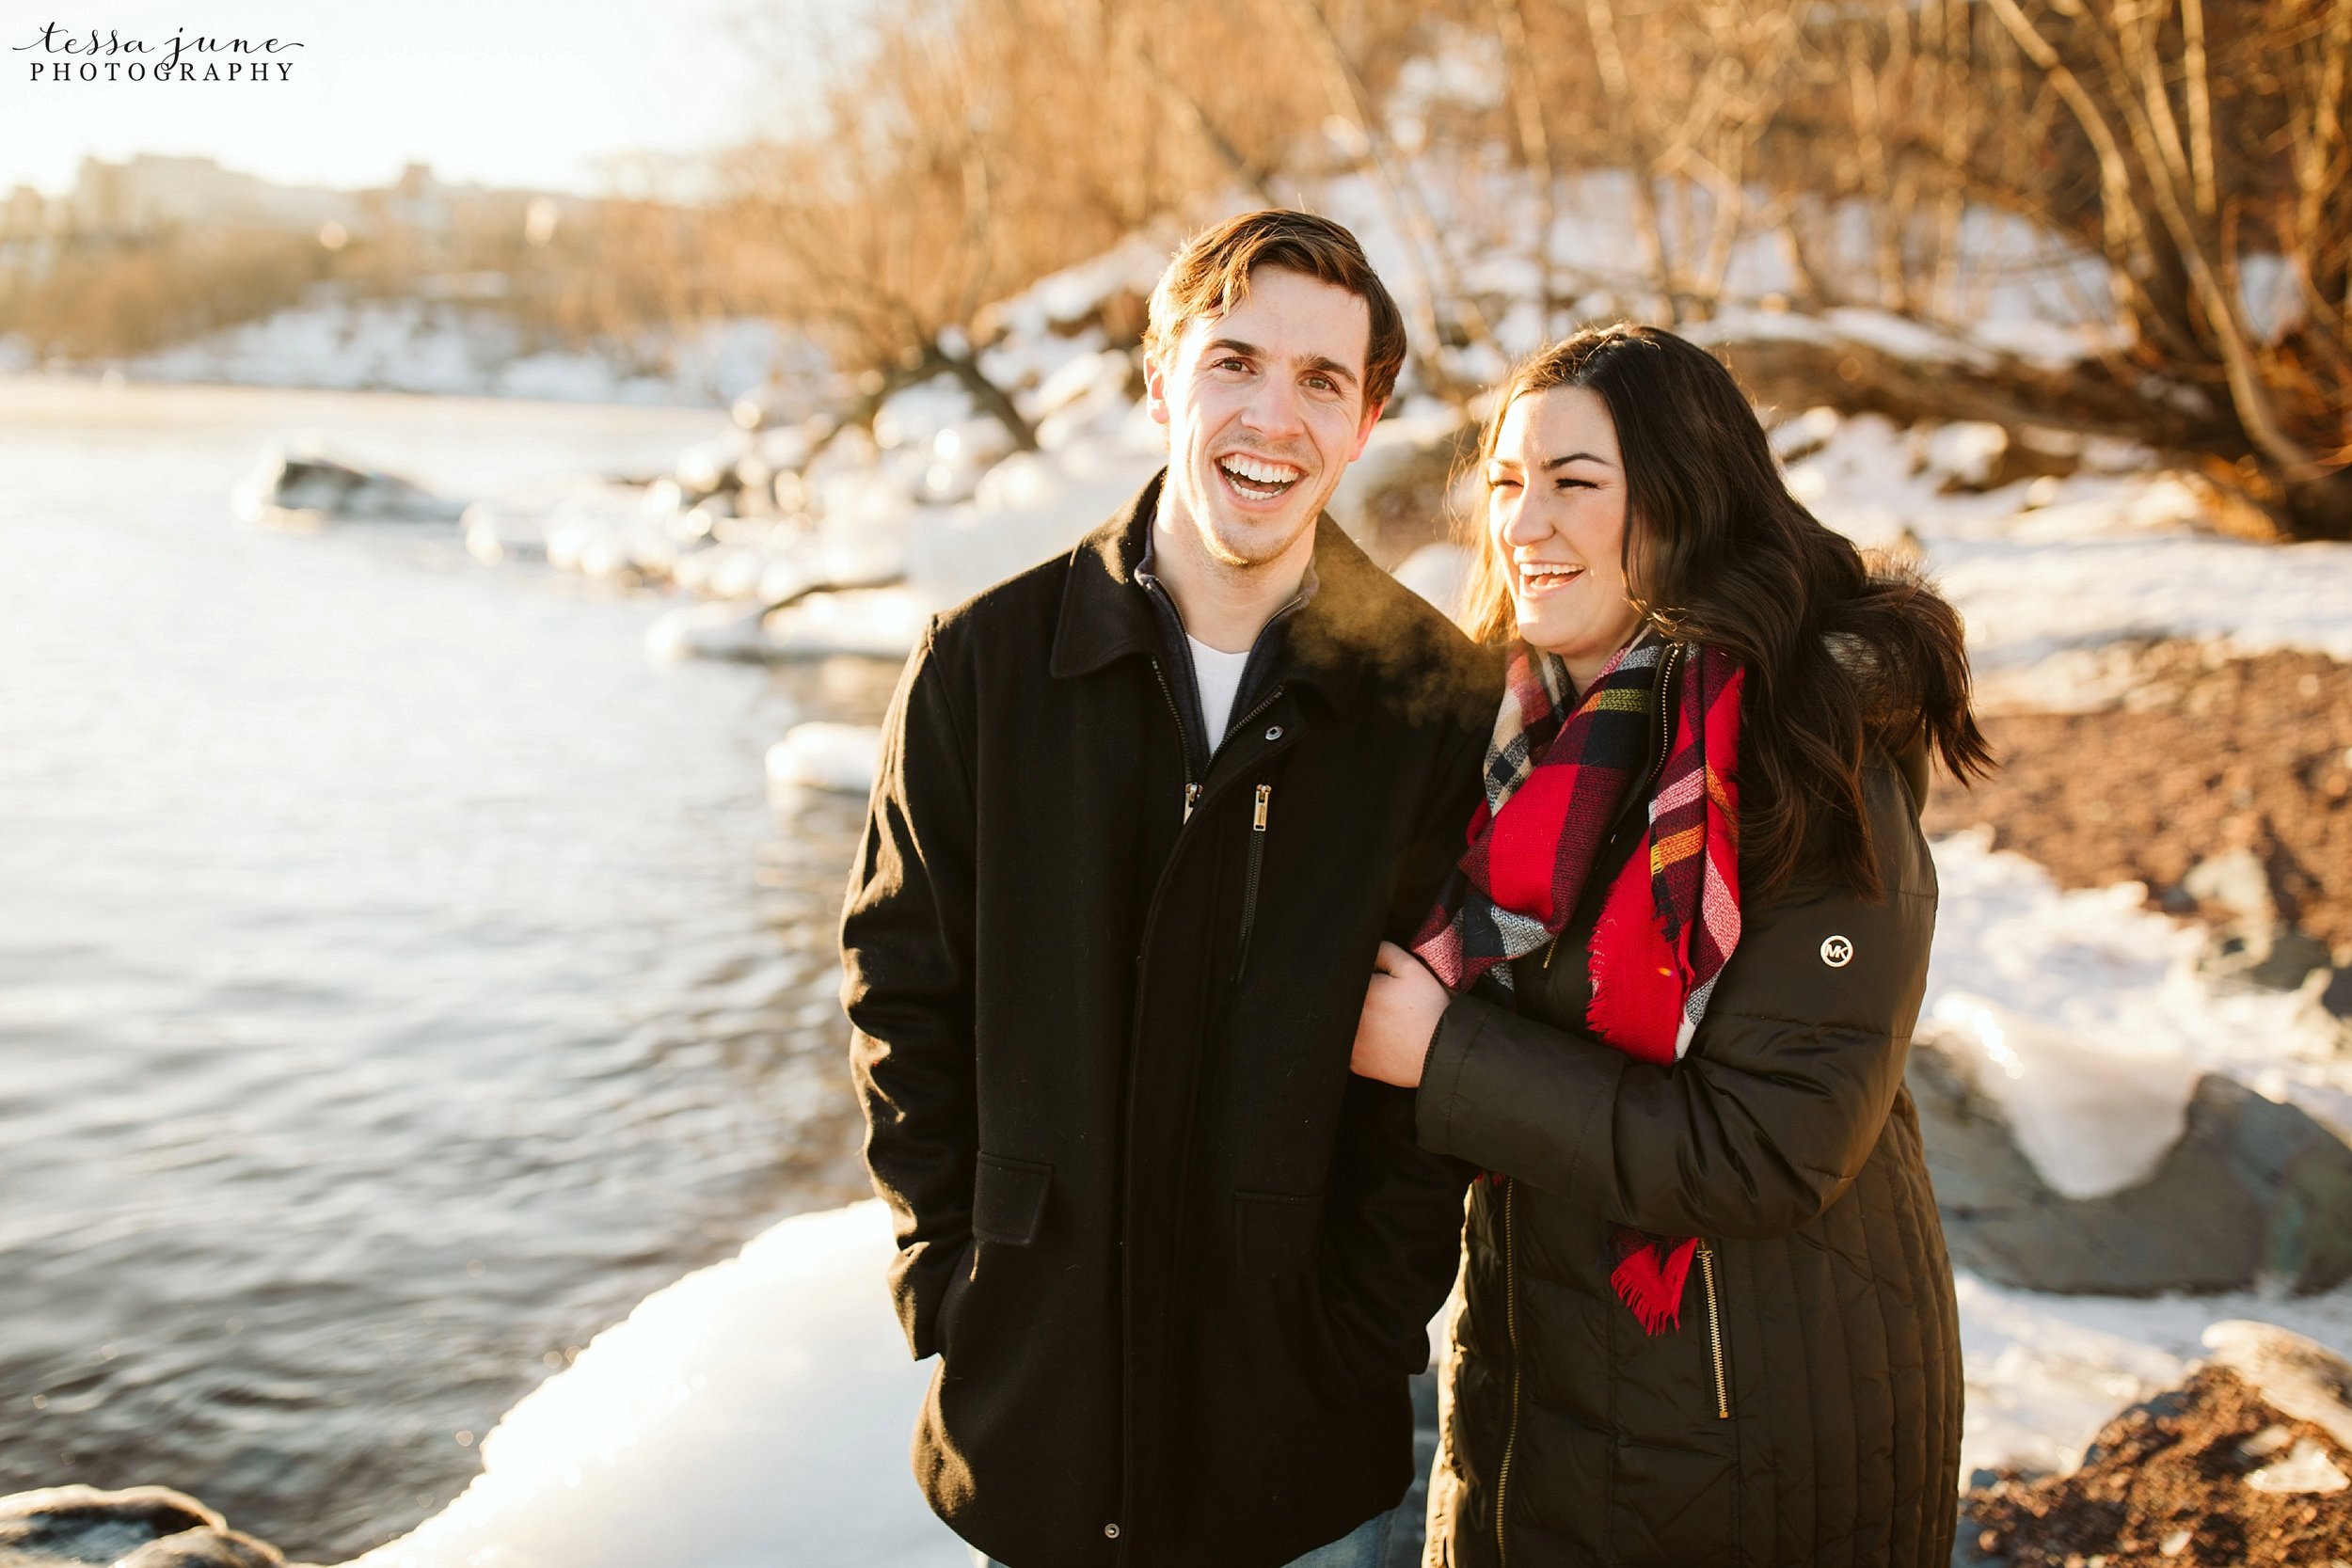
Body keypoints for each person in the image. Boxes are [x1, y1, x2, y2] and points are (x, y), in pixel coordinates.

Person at [841, 210, 1492, 1568]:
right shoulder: (986, 666)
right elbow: (901, 994)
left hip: (1298, 1437)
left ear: (1368, 421)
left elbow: (1435, 1070)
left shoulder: (1427, 700)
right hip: (1038, 1408)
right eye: (1235, 363)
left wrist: (1363, 1323)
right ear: (1161, 385)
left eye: (1322, 381)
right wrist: (956, 1276)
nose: (1274, 414)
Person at [1349, 324, 1991, 1567]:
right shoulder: (1509, 741)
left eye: (1575, 483)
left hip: (1750, 1422)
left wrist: (1445, 1058)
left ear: (1688, 500)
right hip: (1543, 1394)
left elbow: (1771, 1148)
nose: (1525, 523)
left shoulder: (1808, 749)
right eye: (1506, 483)